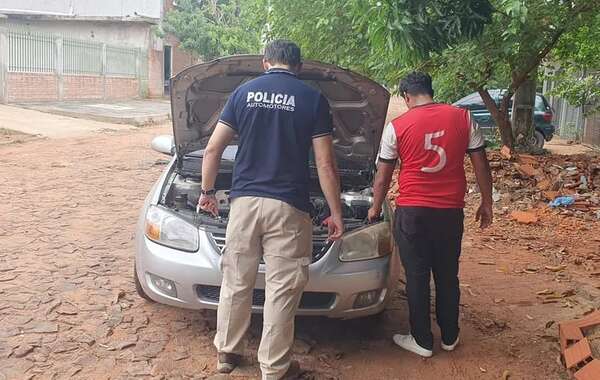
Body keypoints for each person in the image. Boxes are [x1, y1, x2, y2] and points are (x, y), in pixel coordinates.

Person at [198, 40, 344, 379]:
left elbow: (212, 150)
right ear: (299, 65)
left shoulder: (243, 93)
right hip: (288, 206)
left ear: (265, 63)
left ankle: (228, 352)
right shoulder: (312, 99)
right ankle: (275, 369)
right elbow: (325, 162)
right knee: (281, 288)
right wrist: (335, 212)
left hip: (244, 203)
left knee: (236, 279)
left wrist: (207, 193)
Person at [367, 72, 493, 358]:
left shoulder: (396, 127)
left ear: (406, 97)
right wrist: (487, 202)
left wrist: (375, 208)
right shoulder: (463, 118)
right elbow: (481, 165)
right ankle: (450, 335)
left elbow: (383, 177)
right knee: (448, 274)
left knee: (417, 275)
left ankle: (422, 340)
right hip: (450, 211)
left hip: (413, 212)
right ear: (430, 91)